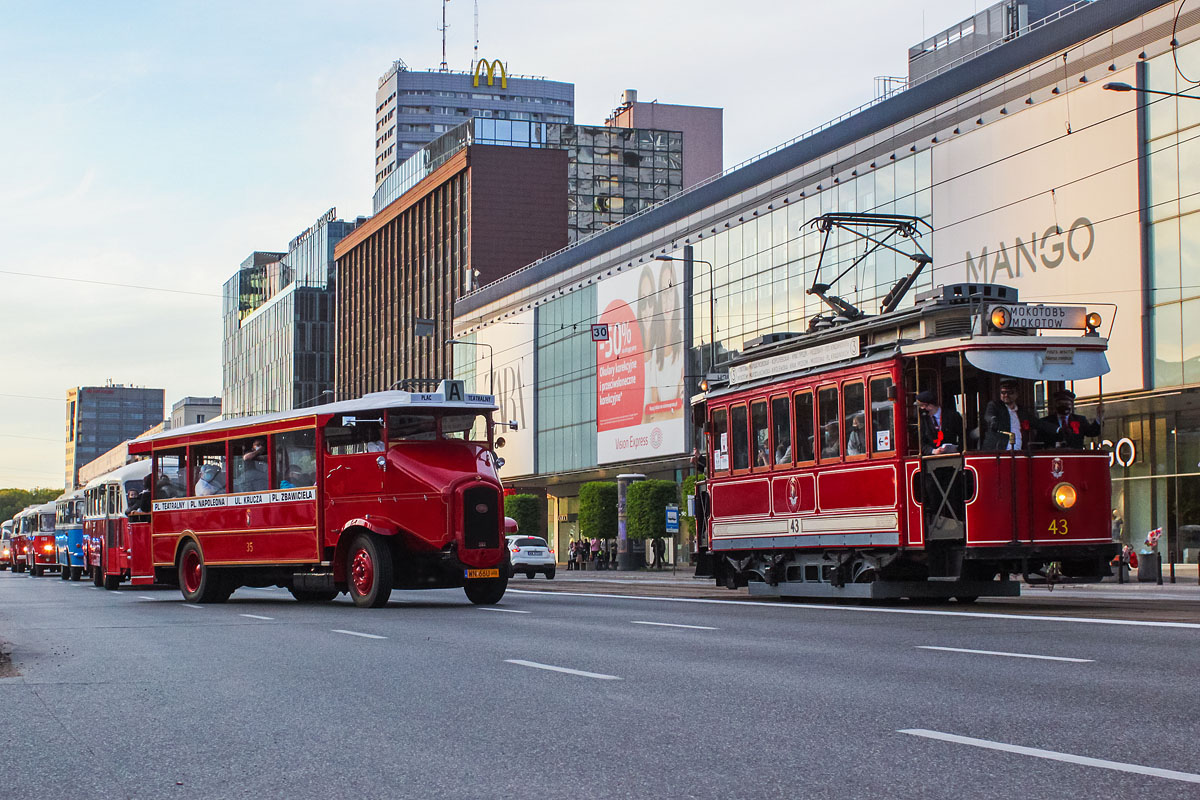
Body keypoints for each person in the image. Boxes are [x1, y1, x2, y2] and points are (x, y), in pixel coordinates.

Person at [982, 379, 1037, 450]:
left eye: (1010, 392)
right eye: (1003, 392)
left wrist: (1056, 429)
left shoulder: (1022, 411)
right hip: (999, 452)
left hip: (1019, 452)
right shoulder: (995, 405)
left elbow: (1038, 423)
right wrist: (993, 420)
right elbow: (989, 415)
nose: (1006, 395)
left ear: (1017, 394)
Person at [914, 390, 963, 455]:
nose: (921, 408)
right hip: (931, 460)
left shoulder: (953, 416)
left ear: (930, 406)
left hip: (953, 457)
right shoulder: (922, 419)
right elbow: (920, 442)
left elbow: (963, 436)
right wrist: (933, 451)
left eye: (922, 406)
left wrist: (957, 448)